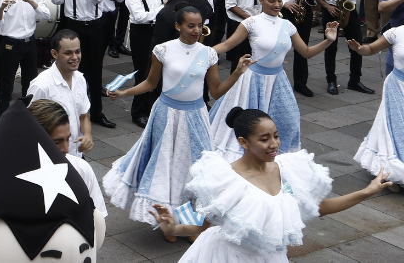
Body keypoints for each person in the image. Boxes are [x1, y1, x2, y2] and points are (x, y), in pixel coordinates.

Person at [151, 108, 392, 261]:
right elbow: (203, 227)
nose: (274, 144)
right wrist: (171, 229)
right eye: (264, 139)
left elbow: (318, 208)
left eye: (276, 135)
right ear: (243, 142)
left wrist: (366, 191)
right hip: (227, 256)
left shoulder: (287, 169)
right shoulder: (227, 179)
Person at [104, 7, 251, 228]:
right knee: (165, 163)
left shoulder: (208, 53)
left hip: (196, 115)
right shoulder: (163, 50)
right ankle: (167, 217)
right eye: (190, 25)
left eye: (199, 25)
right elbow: (151, 83)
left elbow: (216, 92)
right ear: (178, 26)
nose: (196, 30)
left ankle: (190, 216)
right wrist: (125, 92)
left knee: (197, 164)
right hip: (166, 113)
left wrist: (237, 73)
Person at [207, 0, 339, 160]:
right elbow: (226, 45)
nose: (277, 4)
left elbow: (306, 52)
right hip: (253, 80)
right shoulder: (251, 23)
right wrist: (200, 54)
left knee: (289, 121)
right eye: (271, 1)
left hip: (278, 80)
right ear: (261, 1)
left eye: (279, 0)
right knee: (251, 125)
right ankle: (248, 157)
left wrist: (328, 40)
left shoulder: (287, 25)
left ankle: (279, 157)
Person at [50, 0, 114, 128]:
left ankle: (96, 112)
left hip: (95, 25)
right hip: (73, 26)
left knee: (95, 69)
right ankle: (72, 112)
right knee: (73, 69)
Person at [308, 0, 371, 95]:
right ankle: (331, 80)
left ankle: (355, 80)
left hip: (350, 10)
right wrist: (327, 6)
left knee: (357, 46)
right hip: (332, 11)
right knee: (330, 48)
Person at [0, 0, 50, 112]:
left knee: (30, 86)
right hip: (10, 45)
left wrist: (30, 0)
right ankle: (2, 125)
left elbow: (46, 15)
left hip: (29, 42)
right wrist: (2, 8)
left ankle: (26, 120)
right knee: (6, 87)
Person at [124, 0, 163, 127]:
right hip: (141, 33)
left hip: (156, 31)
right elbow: (140, 17)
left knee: (156, 70)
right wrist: (163, 8)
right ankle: (138, 111)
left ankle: (152, 107)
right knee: (142, 72)